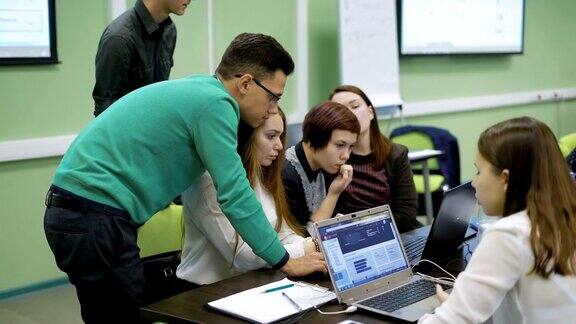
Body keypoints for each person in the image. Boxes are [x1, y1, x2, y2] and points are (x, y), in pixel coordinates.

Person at [43, 33, 326, 323]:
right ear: (245, 83)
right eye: (273, 97)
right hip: (93, 216)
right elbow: (235, 194)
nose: (272, 108)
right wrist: (285, 261)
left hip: (81, 212)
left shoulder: (202, 90)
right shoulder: (217, 104)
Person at [419, 117, 576, 323]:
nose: (474, 182)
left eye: (478, 171)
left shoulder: (509, 234)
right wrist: (464, 305)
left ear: (505, 178)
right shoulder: (564, 216)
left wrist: (452, 311)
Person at [177, 109, 317, 284]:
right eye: (271, 136)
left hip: (250, 283)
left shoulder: (258, 173)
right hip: (202, 291)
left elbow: (283, 233)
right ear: (245, 137)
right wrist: (308, 247)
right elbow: (242, 257)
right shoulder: (207, 183)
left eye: (280, 137)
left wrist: (316, 243)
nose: (280, 146)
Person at [329, 85, 421, 233]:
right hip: (355, 240)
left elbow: (406, 215)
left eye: (355, 106)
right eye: (340, 111)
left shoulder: (396, 154)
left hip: (398, 234)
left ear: (370, 112)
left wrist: (362, 225)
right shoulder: (332, 159)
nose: (349, 114)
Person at [92, 0, 191, 117]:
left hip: (153, 127)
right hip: (126, 132)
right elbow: (105, 113)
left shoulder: (169, 31)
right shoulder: (119, 39)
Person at [282, 101, 360, 231]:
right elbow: (302, 238)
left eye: (350, 147)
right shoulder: (287, 174)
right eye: (340, 145)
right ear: (315, 138)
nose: (346, 155)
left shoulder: (327, 164)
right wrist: (334, 193)